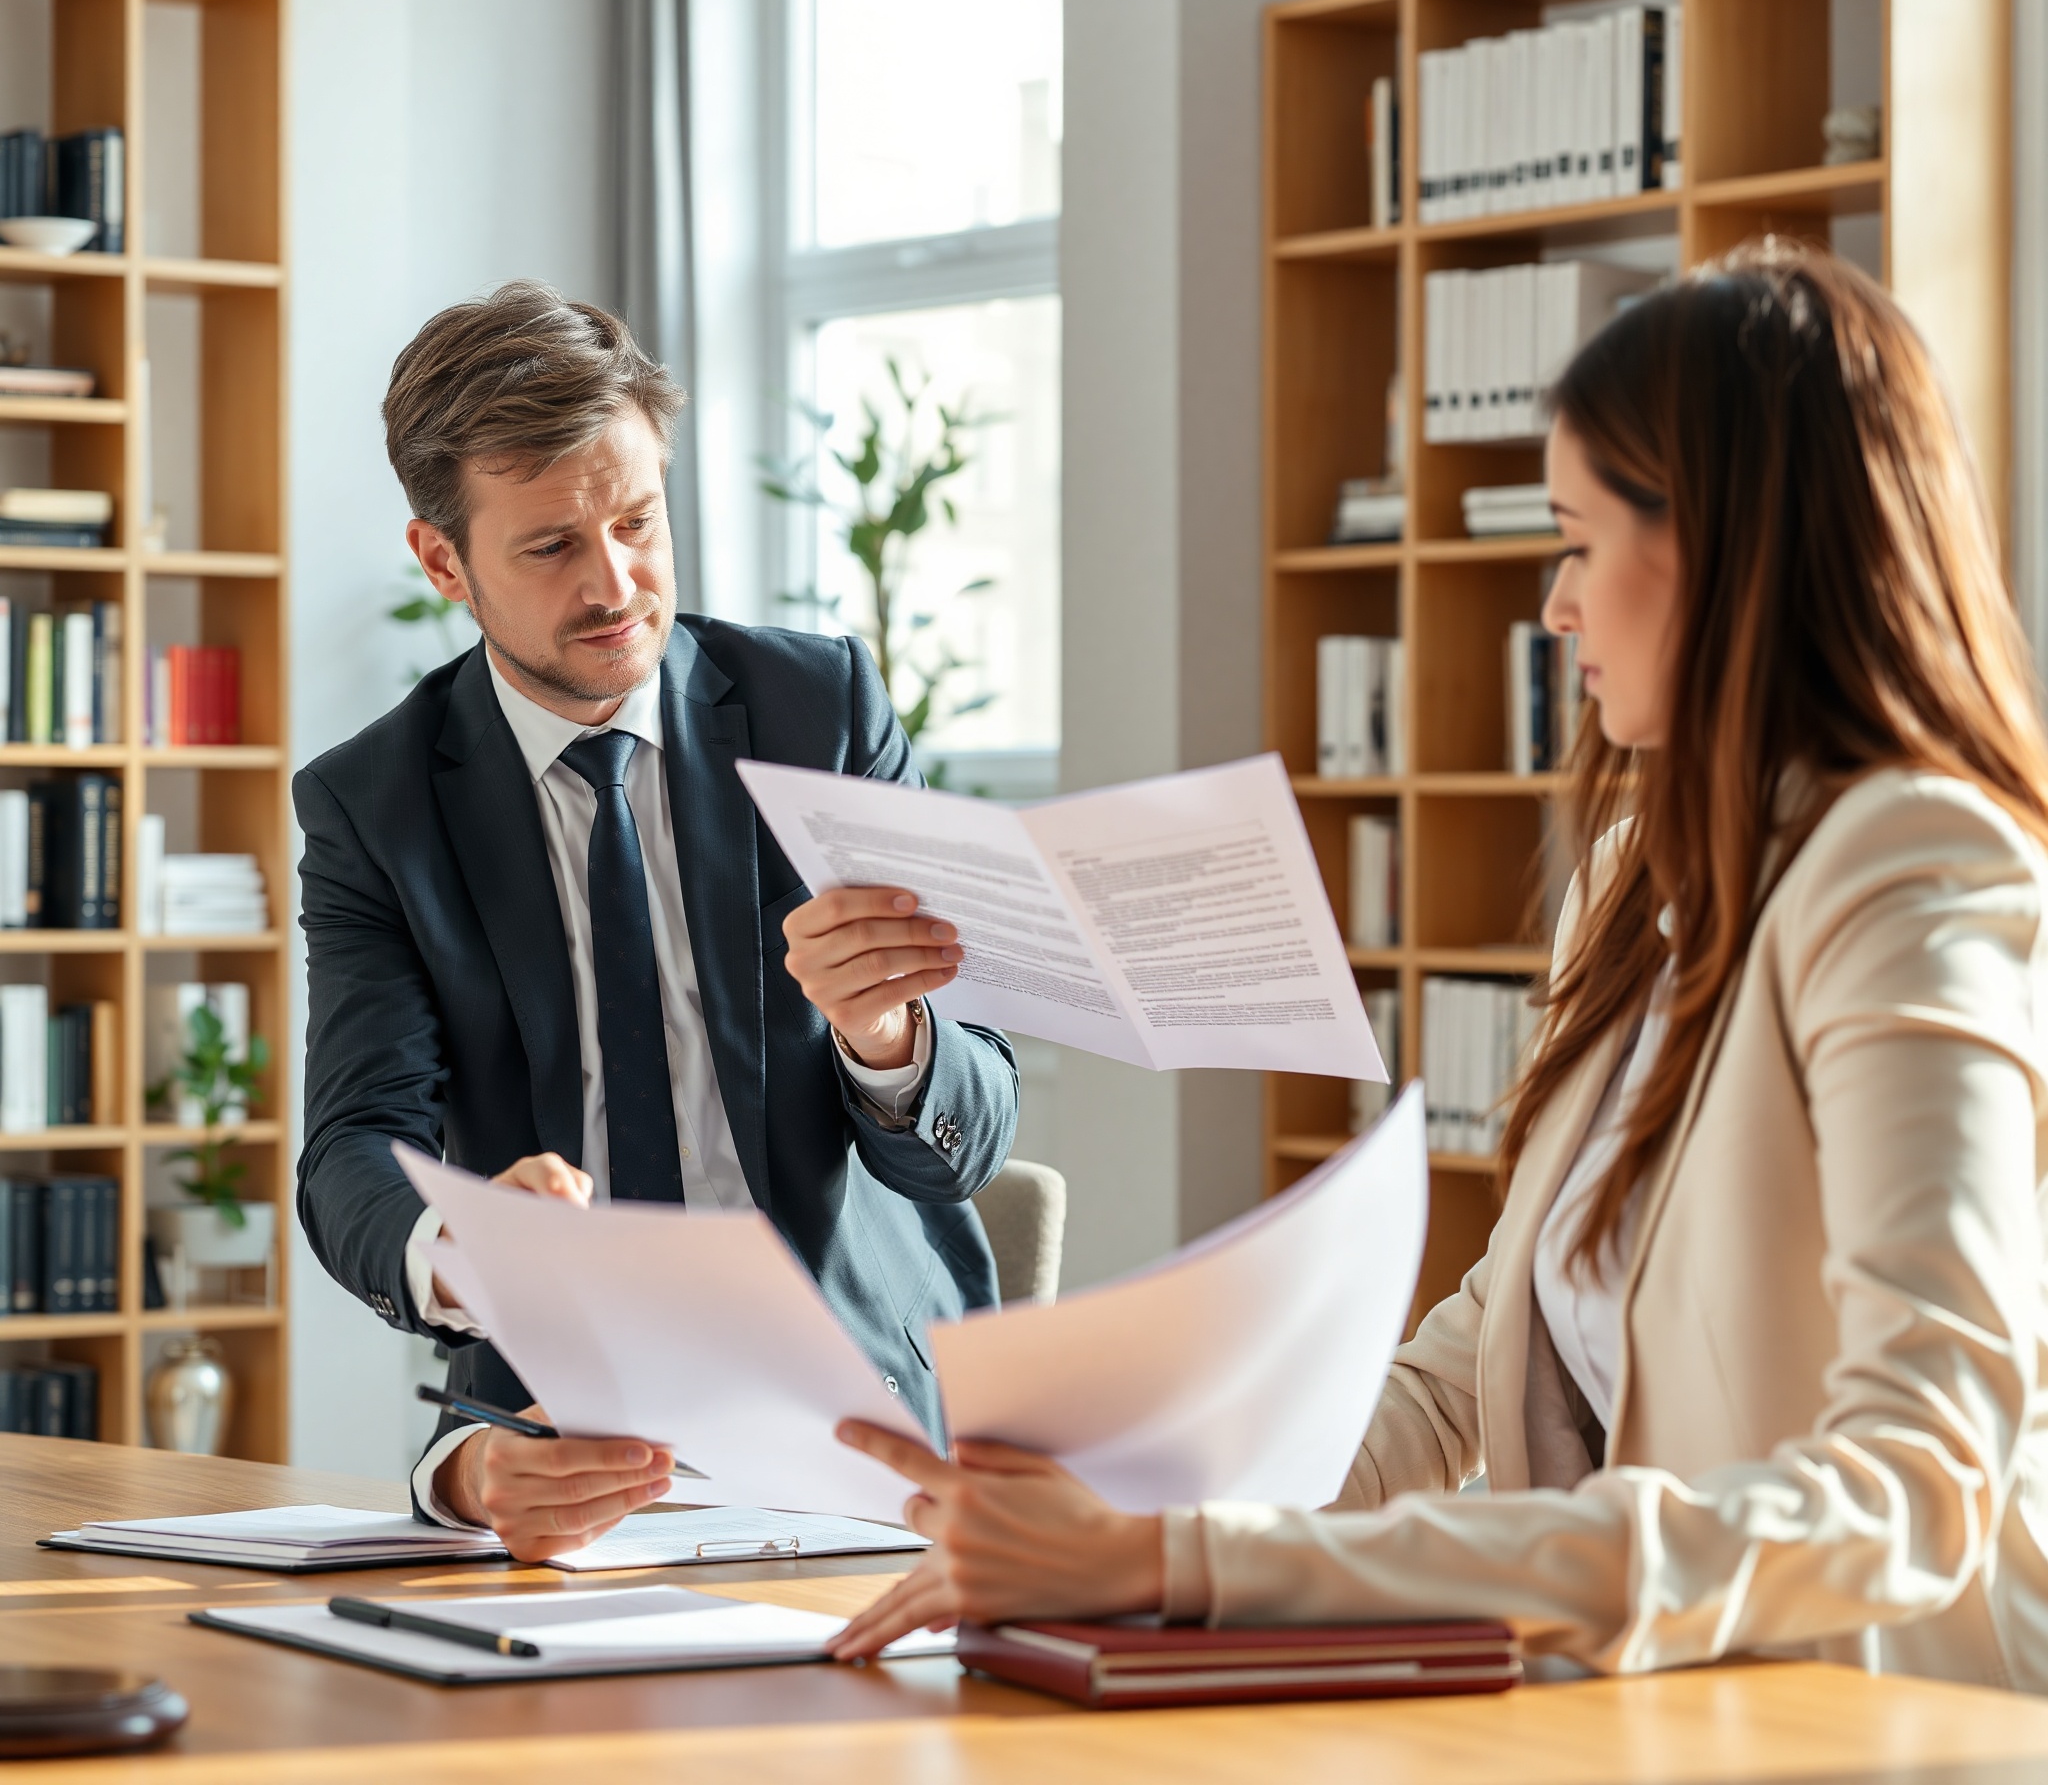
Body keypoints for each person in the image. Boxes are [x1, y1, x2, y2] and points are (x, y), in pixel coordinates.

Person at [831, 241, 2048, 1690]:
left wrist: (1192, 1566)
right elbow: (1495, 1335)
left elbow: (1919, 1486)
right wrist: (1147, 1538)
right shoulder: (1639, 879)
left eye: (1579, 539)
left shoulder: (1911, 868)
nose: (1554, 607)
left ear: (1724, 550)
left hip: (1888, 1719)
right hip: (1655, 1713)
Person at [295, 281, 1018, 1560]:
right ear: (441, 559)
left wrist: (888, 1035)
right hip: (560, 1439)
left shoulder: (820, 712)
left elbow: (959, 1147)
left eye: (637, 520)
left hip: (868, 1435)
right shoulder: (377, 806)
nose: (616, 582)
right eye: (551, 546)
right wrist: (462, 1247)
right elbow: (355, 1148)